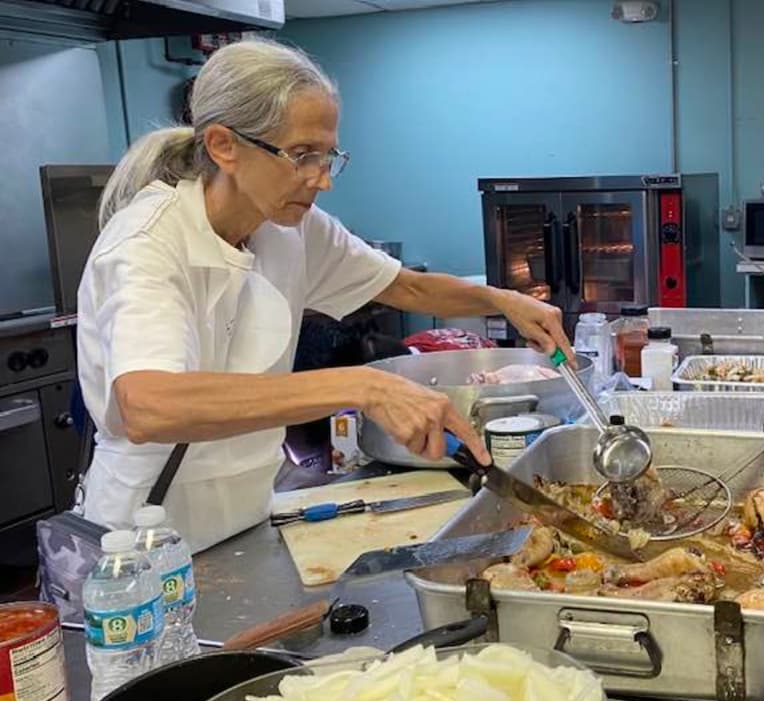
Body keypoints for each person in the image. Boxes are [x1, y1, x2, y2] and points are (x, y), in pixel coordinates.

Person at [78, 39, 574, 552]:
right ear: (224, 146)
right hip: (140, 546)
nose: (322, 179)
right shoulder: (147, 244)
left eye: (328, 156)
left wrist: (504, 301)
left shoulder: (289, 227)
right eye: (301, 156)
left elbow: (404, 284)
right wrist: (364, 386)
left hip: (245, 513)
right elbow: (148, 404)